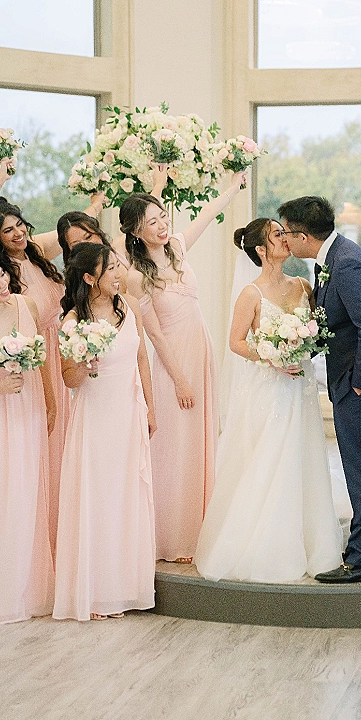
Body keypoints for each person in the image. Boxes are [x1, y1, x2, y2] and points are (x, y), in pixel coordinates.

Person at [195, 218, 343, 582]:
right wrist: (273, 357)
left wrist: (302, 347)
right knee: (269, 458)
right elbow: (236, 342)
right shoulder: (251, 294)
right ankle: (266, 547)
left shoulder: (303, 285)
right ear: (261, 250)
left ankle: (310, 543)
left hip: (301, 387)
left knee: (303, 456)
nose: (285, 238)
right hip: (270, 387)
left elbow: (317, 330)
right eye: (277, 235)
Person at [278, 196, 361, 584]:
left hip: (360, 382)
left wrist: (359, 384)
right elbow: (337, 324)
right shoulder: (332, 258)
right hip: (351, 376)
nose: (284, 239)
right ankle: (360, 551)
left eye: (286, 232)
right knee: (358, 465)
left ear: (303, 236)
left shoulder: (347, 263)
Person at [120, 168, 246, 563]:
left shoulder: (176, 246)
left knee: (200, 444)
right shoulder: (135, 275)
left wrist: (232, 188)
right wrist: (179, 380)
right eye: (151, 223)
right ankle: (172, 538)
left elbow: (206, 215)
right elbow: (154, 335)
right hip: (173, 363)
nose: (161, 226)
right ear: (135, 232)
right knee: (176, 449)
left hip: (200, 351)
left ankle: (199, 528)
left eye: (162, 218)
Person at [0, 192, 103, 554]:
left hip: (64, 346)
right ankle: (47, 537)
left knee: (69, 438)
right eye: (7, 230)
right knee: (50, 441)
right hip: (40, 358)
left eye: (19, 225)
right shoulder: (2, 277)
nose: (18, 233)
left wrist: (97, 202)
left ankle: (68, 529)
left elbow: (73, 232)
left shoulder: (37, 254)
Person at [53, 243, 156, 621]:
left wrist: (151, 407)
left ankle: (125, 588)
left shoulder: (129, 307)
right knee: (98, 497)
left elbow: (141, 357)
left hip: (128, 413)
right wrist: (84, 364)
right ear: (89, 277)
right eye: (110, 268)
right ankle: (95, 594)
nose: (119, 273)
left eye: (118, 266)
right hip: (95, 419)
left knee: (127, 496)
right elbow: (69, 379)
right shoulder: (71, 322)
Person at [0, 259, 54, 624]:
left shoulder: (24, 305)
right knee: (1, 493)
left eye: (1, 275)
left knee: (28, 490)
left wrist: (50, 403)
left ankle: (28, 587)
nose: (3, 284)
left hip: (27, 410)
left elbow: (42, 360)